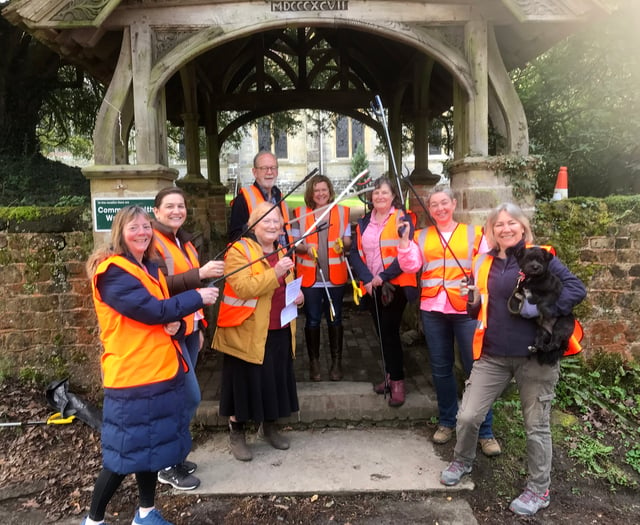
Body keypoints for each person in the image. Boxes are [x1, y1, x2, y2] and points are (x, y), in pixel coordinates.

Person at [439, 202, 586, 517]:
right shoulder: (482, 262)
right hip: (492, 354)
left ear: (522, 226)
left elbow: (576, 288)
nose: (505, 229)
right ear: (491, 230)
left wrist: (546, 309)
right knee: (467, 416)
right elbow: (475, 309)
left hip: (536, 356)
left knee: (536, 426)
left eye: (511, 223)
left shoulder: (541, 256)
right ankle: (463, 461)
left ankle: (538, 490)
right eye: (498, 224)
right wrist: (471, 299)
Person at [83, 206, 219, 525]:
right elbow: (152, 311)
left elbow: (161, 317)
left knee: (150, 450)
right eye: (134, 228)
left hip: (158, 373)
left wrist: (176, 324)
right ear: (119, 232)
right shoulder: (113, 272)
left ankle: (145, 514)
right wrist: (197, 297)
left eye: (146, 226)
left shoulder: (149, 268)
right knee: (120, 458)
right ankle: (93, 520)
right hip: (131, 378)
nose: (143, 232)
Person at [396, 184, 500, 456]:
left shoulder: (474, 233)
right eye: (434, 205)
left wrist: (477, 287)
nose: (439, 209)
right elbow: (411, 266)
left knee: (475, 371)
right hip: (433, 308)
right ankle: (446, 421)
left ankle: (484, 430)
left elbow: (487, 266)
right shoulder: (421, 236)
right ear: (429, 209)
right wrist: (405, 242)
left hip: (465, 309)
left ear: (454, 204)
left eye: (444, 203)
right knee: (440, 369)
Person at [213, 201, 303, 461]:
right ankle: (236, 433)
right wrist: (275, 272)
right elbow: (243, 288)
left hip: (279, 327)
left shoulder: (282, 250)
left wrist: (298, 297)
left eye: (276, 220)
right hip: (246, 330)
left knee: (273, 381)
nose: (273, 225)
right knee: (243, 384)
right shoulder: (239, 250)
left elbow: (286, 286)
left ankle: (269, 427)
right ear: (253, 224)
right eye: (266, 220)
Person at [152, 187, 225, 490]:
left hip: (189, 330)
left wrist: (200, 325)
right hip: (170, 332)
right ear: (156, 211)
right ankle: (165, 464)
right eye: (169, 206)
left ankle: (176, 456)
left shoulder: (184, 241)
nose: (176, 211)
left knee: (183, 398)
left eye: (180, 206)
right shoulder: (152, 243)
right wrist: (200, 274)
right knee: (185, 397)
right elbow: (157, 285)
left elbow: (193, 295)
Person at [348, 176, 418, 407]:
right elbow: (355, 254)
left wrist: (383, 277)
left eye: (384, 193)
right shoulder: (364, 222)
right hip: (371, 286)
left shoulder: (403, 219)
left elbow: (406, 252)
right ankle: (389, 376)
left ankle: (397, 382)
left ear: (393, 196)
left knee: (389, 332)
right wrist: (367, 278)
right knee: (380, 332)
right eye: (376, 193)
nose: (379, 196)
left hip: (394, 286)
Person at [292, 174, 351, 381]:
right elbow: (294, 244)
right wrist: (304, 248)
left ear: (330, 191)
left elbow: (348, 240)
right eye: (316, 190)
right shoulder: (299, 213)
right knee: (313, 320)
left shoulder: (342, 212)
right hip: (310, 278)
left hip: (335, 277)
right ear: (311, 193)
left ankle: (336, 363)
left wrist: (344, 244)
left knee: (335, 319)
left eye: (324, 190)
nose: (320, 194)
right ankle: (314, 363)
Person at [228, 150, 291, 245]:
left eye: (273, 168)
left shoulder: (280, 197)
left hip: (283, 257)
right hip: (260, 258)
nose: (269, 172)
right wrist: (262, 234)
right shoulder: (242, 200)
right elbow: (235, 237)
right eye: (264, 168)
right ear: (255, 172)